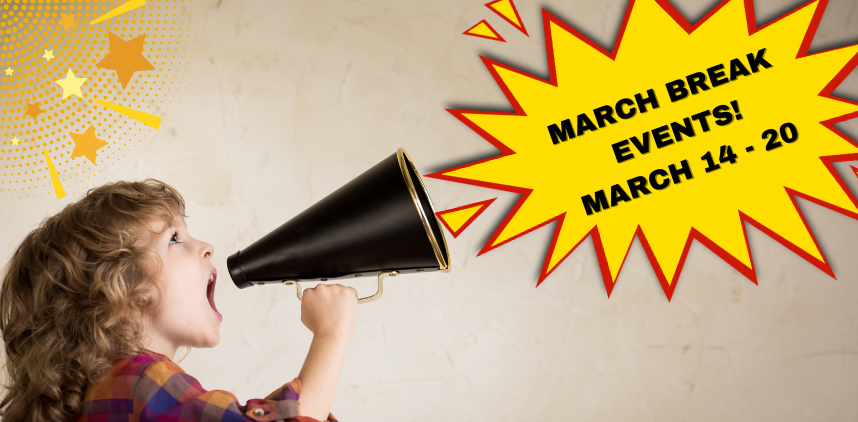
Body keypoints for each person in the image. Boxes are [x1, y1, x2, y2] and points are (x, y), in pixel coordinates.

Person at [0, 179, 357, 422]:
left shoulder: (110, 390)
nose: (207, 247)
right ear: (119, 287)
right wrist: (331, 333)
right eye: (174, 238)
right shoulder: (141, 381)